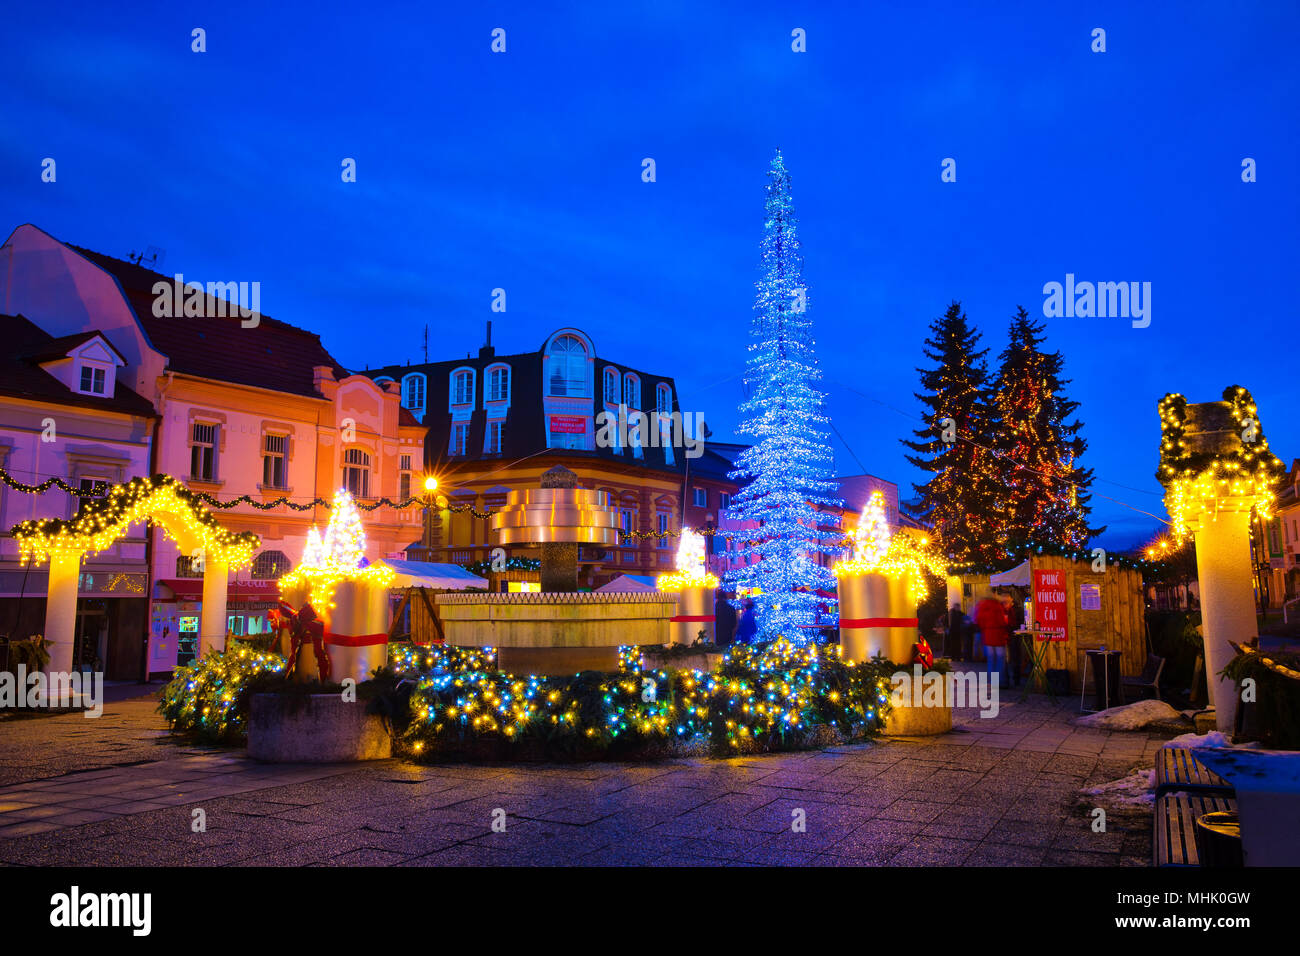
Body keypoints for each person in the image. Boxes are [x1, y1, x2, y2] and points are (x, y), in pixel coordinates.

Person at [973, 591, 1009, 688]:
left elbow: (977, 620)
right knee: (1000, 659)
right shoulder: (997, 606)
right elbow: (1002, 621)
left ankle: (993, 682)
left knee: (991, 660)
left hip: (987, 636)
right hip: (998, 635)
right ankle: (1000, 681)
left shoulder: (981, 605)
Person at [1003, 592, 1026, 687]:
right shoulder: (1002, 609)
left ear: (1011, 599)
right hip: (1005, 637)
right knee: (1006, 659)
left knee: (1015, 657)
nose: (1005, 599)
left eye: (1007, 597)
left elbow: (1021, 622)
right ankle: (1007, 679)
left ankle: (1016, 678)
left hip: (1014, 637)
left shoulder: (1017, 609)